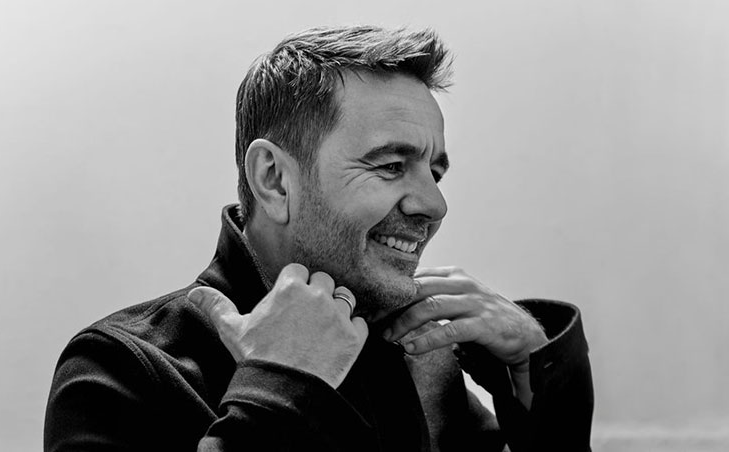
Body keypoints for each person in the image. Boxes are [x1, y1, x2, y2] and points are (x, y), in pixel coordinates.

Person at [44, 25, 593, 451]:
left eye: (435, 173)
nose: (434, 205)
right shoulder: (116, 371)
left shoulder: (422, 357)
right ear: (275, 181)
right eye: (391, 166)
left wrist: (537, 371)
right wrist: (282, 388)